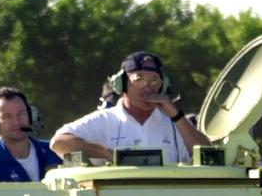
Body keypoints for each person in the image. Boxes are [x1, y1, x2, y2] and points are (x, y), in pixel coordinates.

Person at [52, 51, 211, 165]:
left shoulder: (174, 122)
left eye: (155, 80)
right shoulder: (105, 120)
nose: (148, 87)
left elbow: (208, 156)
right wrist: (106, 153)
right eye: (140, 79)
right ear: (121, 84)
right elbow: (59, 143)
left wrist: (175, 115)